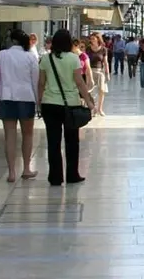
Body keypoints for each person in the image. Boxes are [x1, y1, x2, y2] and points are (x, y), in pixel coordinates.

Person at [38, 29, 95, 187]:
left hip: (50, 104)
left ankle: (55, 177)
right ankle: (72, 174)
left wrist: (39, 100)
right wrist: (89, 100)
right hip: (70, 104)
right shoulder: (73, 58)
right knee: (72, 141)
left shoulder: (45, 59)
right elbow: (79, 82)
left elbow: (41, 82)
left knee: (53, 142)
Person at [0, 28, 40, 183]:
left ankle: (11, 172)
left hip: (6, 97)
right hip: (26, 97)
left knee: (9, 136)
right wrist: (38, 102)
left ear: (12, 41)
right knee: (28, 135)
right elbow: (35, 80)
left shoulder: (2, 55)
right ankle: (26, 168)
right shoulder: (30, 57)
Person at [87, 33, 110, 116]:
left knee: (101, 90)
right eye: (91, 38)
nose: (91, 40)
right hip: (89, 71)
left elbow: (105, 62)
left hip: (100, 71)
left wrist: (107, 73)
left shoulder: (103, 49)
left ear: (98, 39)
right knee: (90, 91)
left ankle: (100, 109)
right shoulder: (88, 49)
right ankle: (93, 108)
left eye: (93, 38)